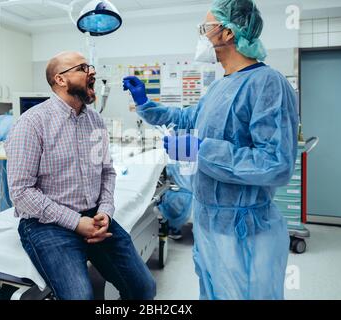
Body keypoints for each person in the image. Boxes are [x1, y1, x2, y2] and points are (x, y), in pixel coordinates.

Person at [123, 0, 298, 300]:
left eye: (206, 27)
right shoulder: (220, 87)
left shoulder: (267, 83)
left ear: (228, 33)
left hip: (243, 230)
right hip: (209, 222)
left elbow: (275, 163)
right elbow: (185, 118)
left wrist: (200, 149)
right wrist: (144, 103)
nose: (202, 35)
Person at [5, 51, 156, 300]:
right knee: (79, 297)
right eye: (83, 68)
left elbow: (107, 171)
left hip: (94, 217)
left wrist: (105, 211)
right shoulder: (31, 123)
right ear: (61, 80)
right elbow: (21, 192)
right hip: (46, 225)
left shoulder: (95, 121)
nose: (92, 72)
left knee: (143, 289)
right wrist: (75, 223)